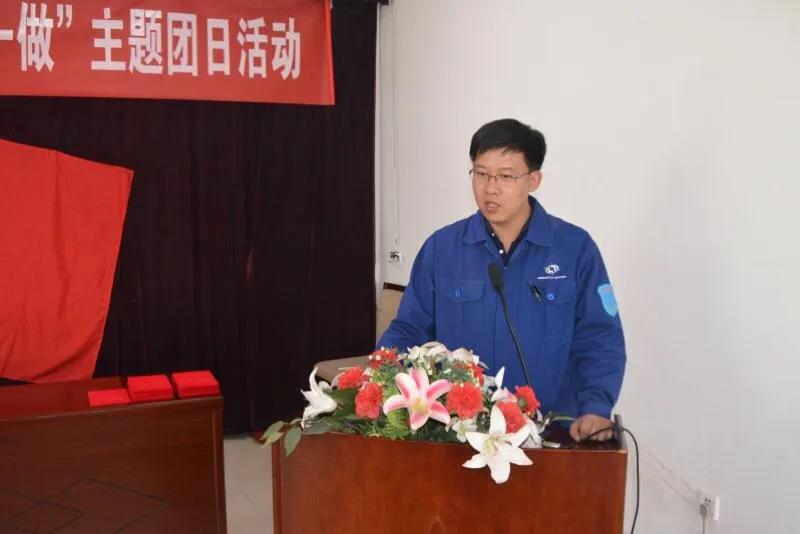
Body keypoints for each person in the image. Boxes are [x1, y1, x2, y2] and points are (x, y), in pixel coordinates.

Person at [377, 118, 626, 442]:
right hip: (458, 433)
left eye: (506, 176)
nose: (490, 188)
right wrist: (380, 379)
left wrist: (595, 407)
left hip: (552, 433)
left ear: (533, 180)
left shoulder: (574, 249)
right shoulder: (442, 248)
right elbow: (409, 330)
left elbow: (600, 338)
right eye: (480, 173)